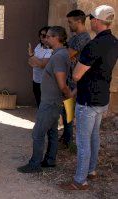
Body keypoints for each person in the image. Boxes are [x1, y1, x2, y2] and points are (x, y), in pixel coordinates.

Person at [60, 5, 118, 190]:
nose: (90, 20)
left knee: (83, 141)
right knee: (94, 136)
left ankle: (80, 181)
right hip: (102, 97)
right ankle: (91, 170)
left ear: (96, 21)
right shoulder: (114, 42)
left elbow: (76, 75)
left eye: (91, 18)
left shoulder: (93, 45)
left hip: (87, 99)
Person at [17, 26, 74, 173]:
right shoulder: (58, 54)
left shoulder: (59, 56)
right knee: (52, 131)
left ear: (56, 38)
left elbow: (62, 84)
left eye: (48, 36)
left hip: (50, 102)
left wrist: (69, 95)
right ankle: (50, 160)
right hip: (52, 100)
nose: (45, 39)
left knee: (38, 133)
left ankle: (35, 164)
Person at [59, 10, 91, 148]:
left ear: (79, 21)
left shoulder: (82, 38)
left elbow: (67, 55)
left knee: (68, 112)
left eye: (70, 22)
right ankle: (66, 138)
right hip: (69, 79)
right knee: (66, 111)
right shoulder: (75, 37)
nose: (69, 25)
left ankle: (67, 141)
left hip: (74, 81)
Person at [28, 26, 53, 107]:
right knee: (39, 103)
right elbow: (30, 62)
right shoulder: (39, 46)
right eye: (40, 35)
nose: (41, 37)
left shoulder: (50, 50)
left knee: (44, 105)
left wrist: (32, 56)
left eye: (44, 35)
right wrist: (37, 62)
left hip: (45, 82)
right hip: (36, 79)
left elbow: (43, 65)